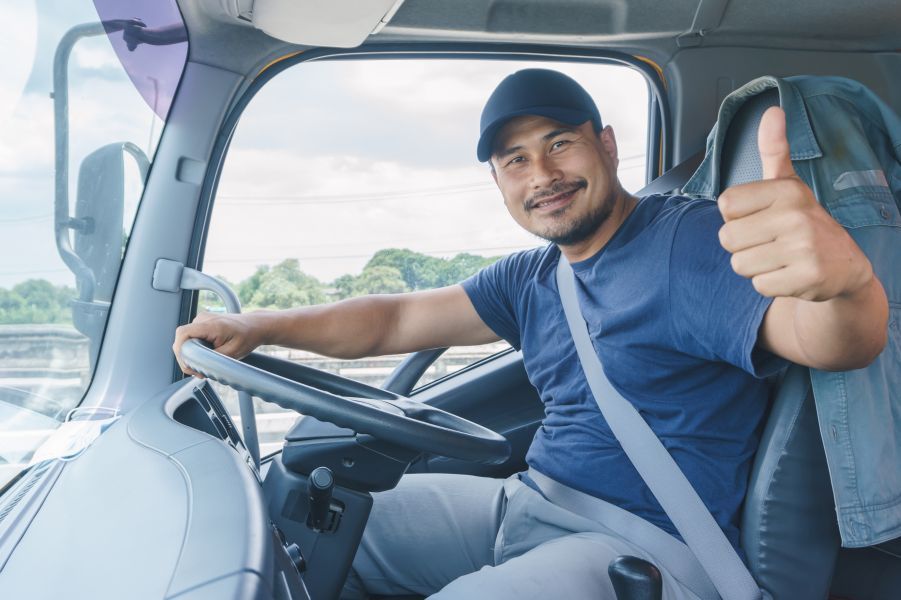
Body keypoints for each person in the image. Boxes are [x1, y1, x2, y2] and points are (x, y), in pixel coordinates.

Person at [173, 69, 888, 599]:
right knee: (299, 527)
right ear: (498, 179)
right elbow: (394, 318)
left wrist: (846, 288)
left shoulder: (687, 244)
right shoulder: (534, 277)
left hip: (646, 547)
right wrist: (257, 324)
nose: (540, 174)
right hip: (531, 504)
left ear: (605, 146)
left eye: (559, 144)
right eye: (515, 159)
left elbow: (829, 341)